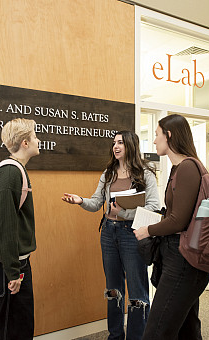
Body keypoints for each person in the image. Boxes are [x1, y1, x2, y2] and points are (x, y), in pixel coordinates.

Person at [62, 131, 160, 340]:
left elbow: (153, 208)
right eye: (114, 143)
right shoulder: (108, 173)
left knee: (137, 292)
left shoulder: (145, 174)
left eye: (120, 143)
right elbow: (97, 203)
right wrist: (80, 200)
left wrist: (122, 213)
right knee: (113, 290)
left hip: (131, 234)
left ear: (131, 146)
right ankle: (115, 336)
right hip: (108, 232)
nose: (115, 146)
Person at [134, 114, 209, 340]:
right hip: (178, 257)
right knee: (186, 330)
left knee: (156, 332)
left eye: (157, 135)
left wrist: (148, 230)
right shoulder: (179, 168)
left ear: (169, 136)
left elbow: (179, 220)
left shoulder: (187, 167)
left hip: (183, 262)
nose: (154, 141)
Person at [0, 118, 40, 340]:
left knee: (22, 323)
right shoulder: (9, 173)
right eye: (36, 137)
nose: (39, 140)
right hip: (10, 264)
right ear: (25, 143)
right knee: (11, 327)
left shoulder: (15, 170)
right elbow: (5, 226)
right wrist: (13, 272)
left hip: (16, 262)